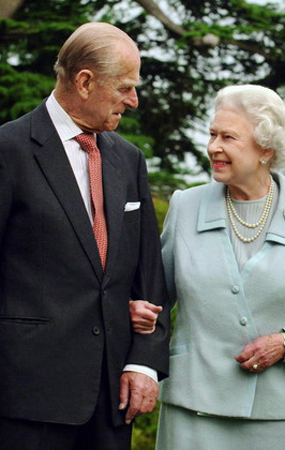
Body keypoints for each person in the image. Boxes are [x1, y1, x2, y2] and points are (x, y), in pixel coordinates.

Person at [129, 84, 285, 450]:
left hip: (282, 420)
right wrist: (136, 307)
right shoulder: (185, 207)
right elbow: (153, 296)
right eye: (212, 134)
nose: (213, 147)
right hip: (192, 412)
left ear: (266, 149)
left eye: (228, 137)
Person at [0, 22, 170, 450]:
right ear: (85, 81)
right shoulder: (8, 150)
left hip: (113, 400)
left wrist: (145, 365)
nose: (133, 101)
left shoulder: (128, 159)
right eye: (126, 88)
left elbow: (149, 277)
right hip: (25, 400)